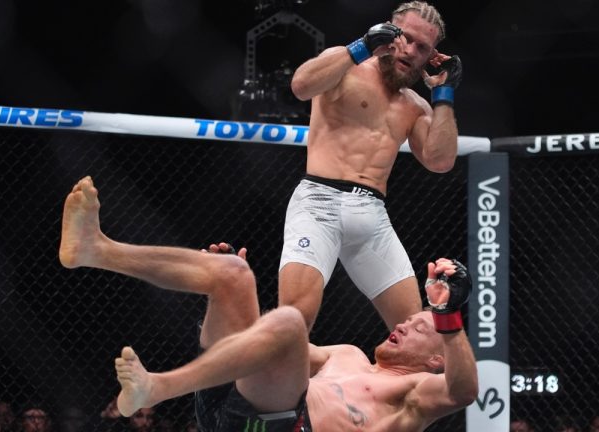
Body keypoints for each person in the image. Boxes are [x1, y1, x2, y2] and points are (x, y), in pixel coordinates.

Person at [59, 176, 478, 431]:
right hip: (237, 405)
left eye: (420, 329)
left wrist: (446, 316)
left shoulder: (414, 395)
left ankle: (158, 387)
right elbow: (269, 349)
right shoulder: (348, 355)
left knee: (292, 323)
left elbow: (463, 391)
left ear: (436, 360)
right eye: (413, 321)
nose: (404, 324)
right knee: (233, 276)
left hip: (272, 428)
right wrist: (227, 303)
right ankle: (96, 249)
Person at [283, 1, 463, 331]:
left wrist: (445, 94)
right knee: (292, 322)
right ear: (389, 32)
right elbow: (301, 85)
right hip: (319, 203)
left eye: (423, 47)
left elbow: (440, 161)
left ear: (432, 57)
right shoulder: (345, 65)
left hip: (371, 215)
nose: (410, 50)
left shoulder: (417, 106)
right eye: (406, 38)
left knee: (415, 330)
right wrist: (362, 46)